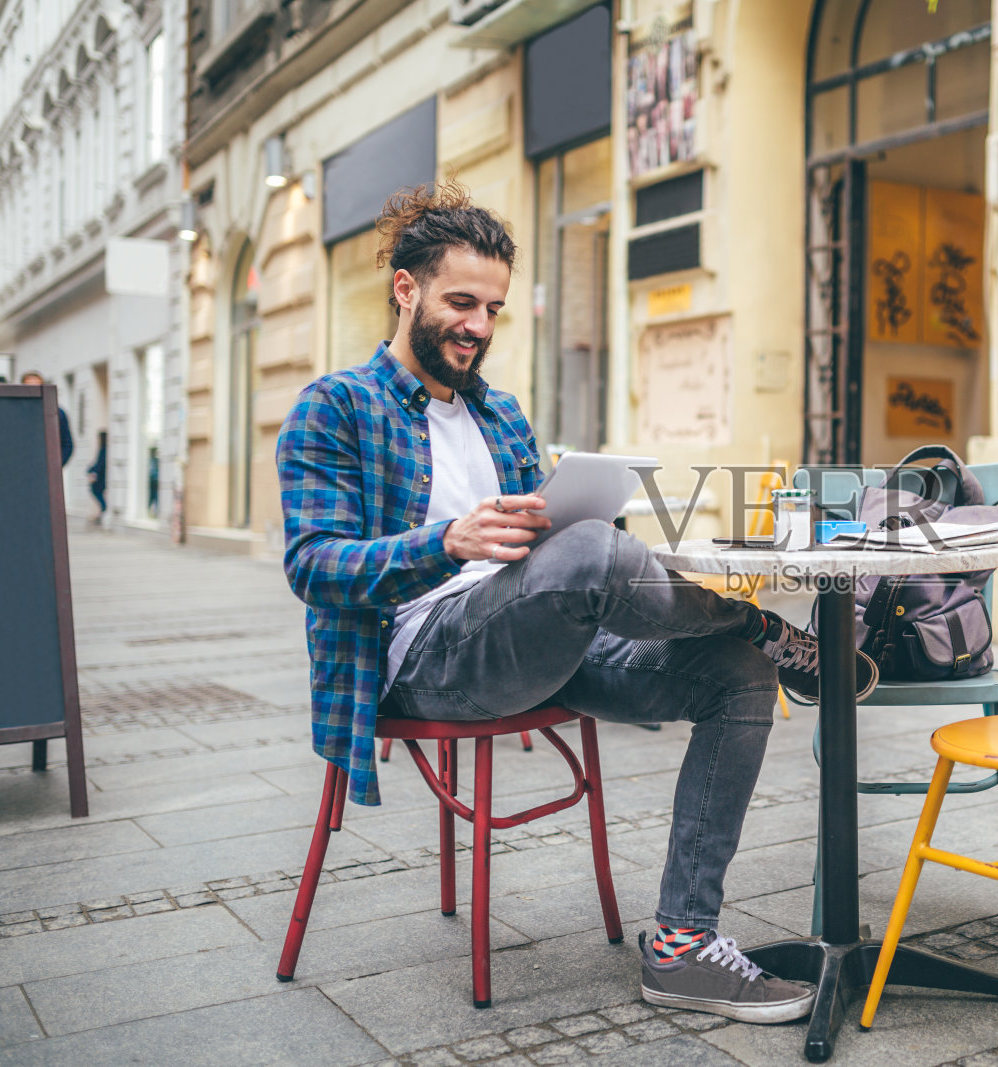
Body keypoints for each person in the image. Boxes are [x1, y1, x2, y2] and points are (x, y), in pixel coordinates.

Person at [276, 181, 878, 1024]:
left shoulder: (499, 414)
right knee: (598, 554)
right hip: (423, 661)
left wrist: (569, 519)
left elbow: (556, 555)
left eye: (493, 309)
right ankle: (761, 619)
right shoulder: (335, 406)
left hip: (538, 640)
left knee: (740, 672)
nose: (479, 326)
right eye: (460, 303)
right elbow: (313, 565)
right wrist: (447, 541)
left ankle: (682, 944)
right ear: (406, 289)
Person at [20, 372, 73, 466]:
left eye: (37, 387)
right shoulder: (15, 413)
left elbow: (67, 444)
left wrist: (54, 466)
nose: (33, 392)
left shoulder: (56, 413)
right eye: (29, 388)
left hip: (46, 469)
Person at [86, 430, 107, 524]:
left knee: (96, 491)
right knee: (97, 492)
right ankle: (103, 510)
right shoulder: (102, 449)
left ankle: (104, 509)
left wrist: (93, 470)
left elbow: (101, 463)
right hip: (100, 475)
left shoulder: (104, 450)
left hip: (101, 476)